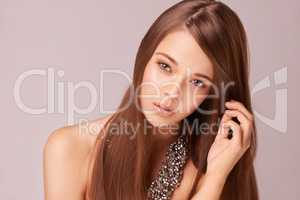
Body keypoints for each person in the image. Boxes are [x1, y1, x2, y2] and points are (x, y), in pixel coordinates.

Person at [43, 0, 259, 199]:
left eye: (197, 82)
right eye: (165, 66)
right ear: (144, 57)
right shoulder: (70, 148)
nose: (172, 93)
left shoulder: (216, 161)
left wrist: (215, 178)